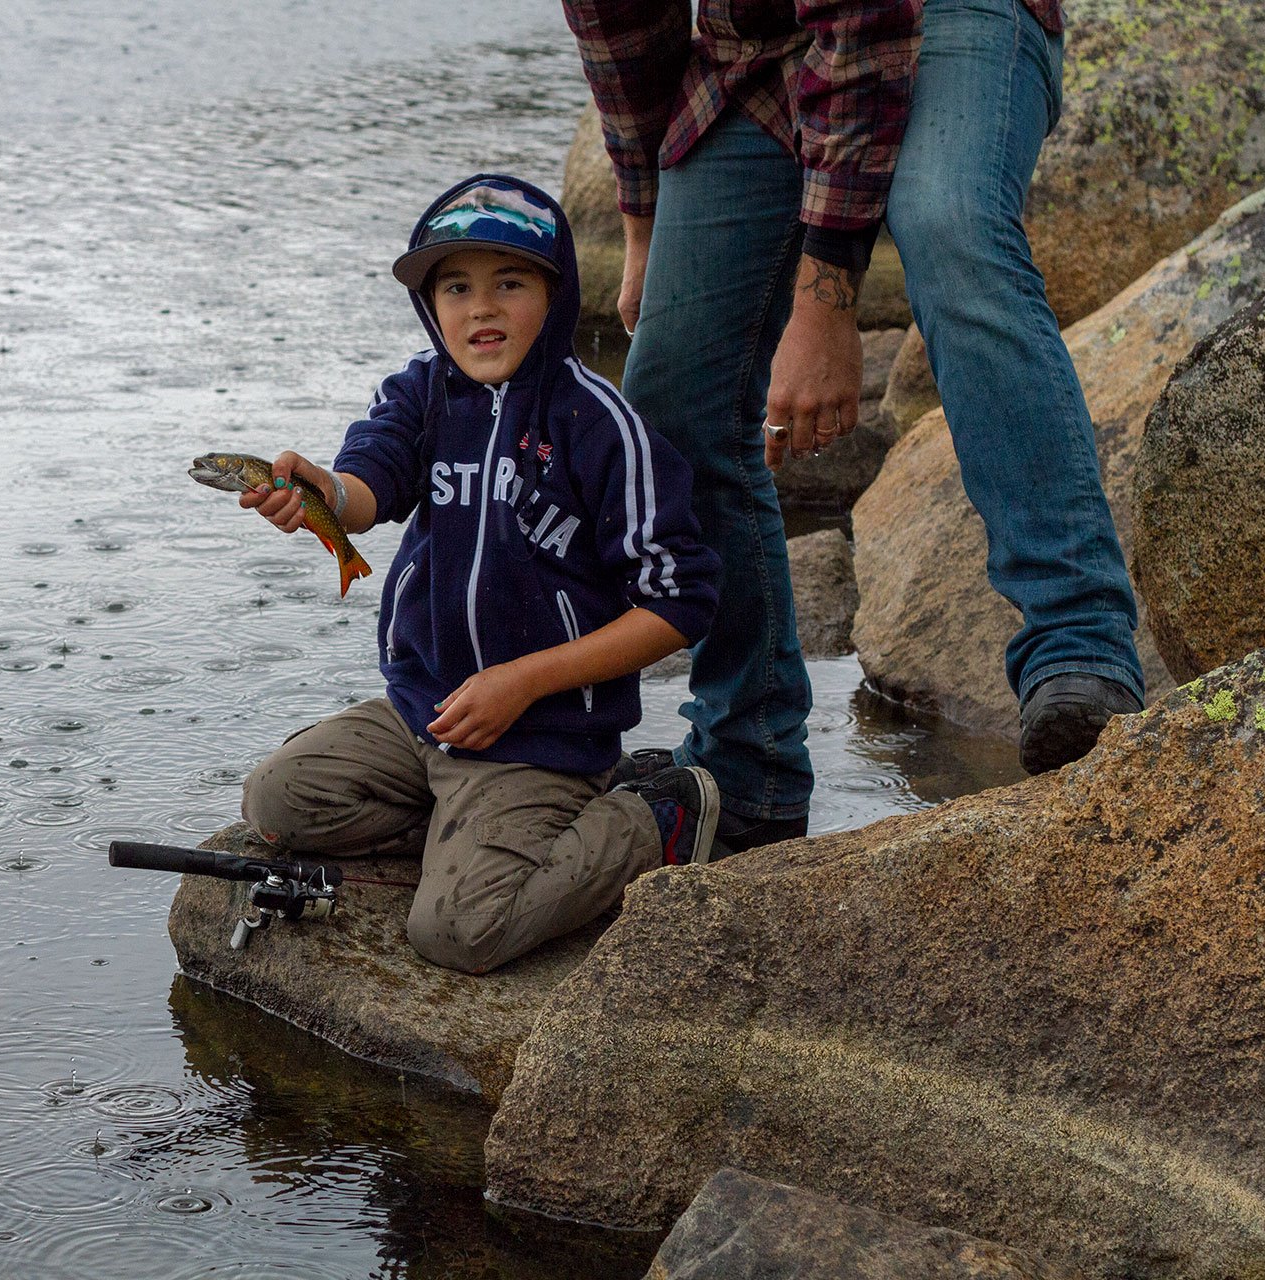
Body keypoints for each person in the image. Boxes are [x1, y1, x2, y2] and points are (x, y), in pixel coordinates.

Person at [567, 0, 1146, 845]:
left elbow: (867, 22)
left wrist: (825, 302)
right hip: (760, 50)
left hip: (947, 14)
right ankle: (748, 764)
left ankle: (1080, 644)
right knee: (673, 390)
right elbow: (625, 29)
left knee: (952, 229)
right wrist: (644, 219)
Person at [233, 174, 723, 975]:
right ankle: (464, 819)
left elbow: (680, 602)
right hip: (425, 710)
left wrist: (525, 682)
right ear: (431, 305)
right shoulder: (421, 394)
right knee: (276, 804)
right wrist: (324, 494)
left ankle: (654, 818)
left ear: (556, 294)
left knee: (458, 932)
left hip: (543, 736)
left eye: (510, 282)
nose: (481, 308)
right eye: (455, 286)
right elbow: (365, 490)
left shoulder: (603, 429)